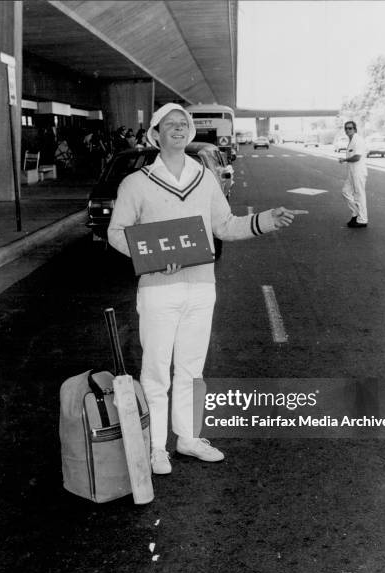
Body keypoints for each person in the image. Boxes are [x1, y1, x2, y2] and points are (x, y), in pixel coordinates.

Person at [107, 103, 308, 475]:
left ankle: (188, 436)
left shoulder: (205, 178)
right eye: (171, 124)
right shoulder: (136, 183)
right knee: (155, 371)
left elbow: (226, 225)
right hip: (158, 290)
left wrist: (265, 221)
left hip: (201, 287)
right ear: (156, 133)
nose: (179, 129)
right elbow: (116, 233)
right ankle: (156, 448)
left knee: (191, 368)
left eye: (183, 124)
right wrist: (152, 255)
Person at [338, 121, 368, 228]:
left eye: (350, 128)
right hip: (352, 173)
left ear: (355, 129)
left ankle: (362, 220)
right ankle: (356, 213)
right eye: (346, 128)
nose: (347, 130)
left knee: (359, 195)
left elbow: (357, 157)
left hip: (358, 172)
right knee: (345, 192)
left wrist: (345, 159)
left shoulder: (358, 140)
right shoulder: (351, 140)